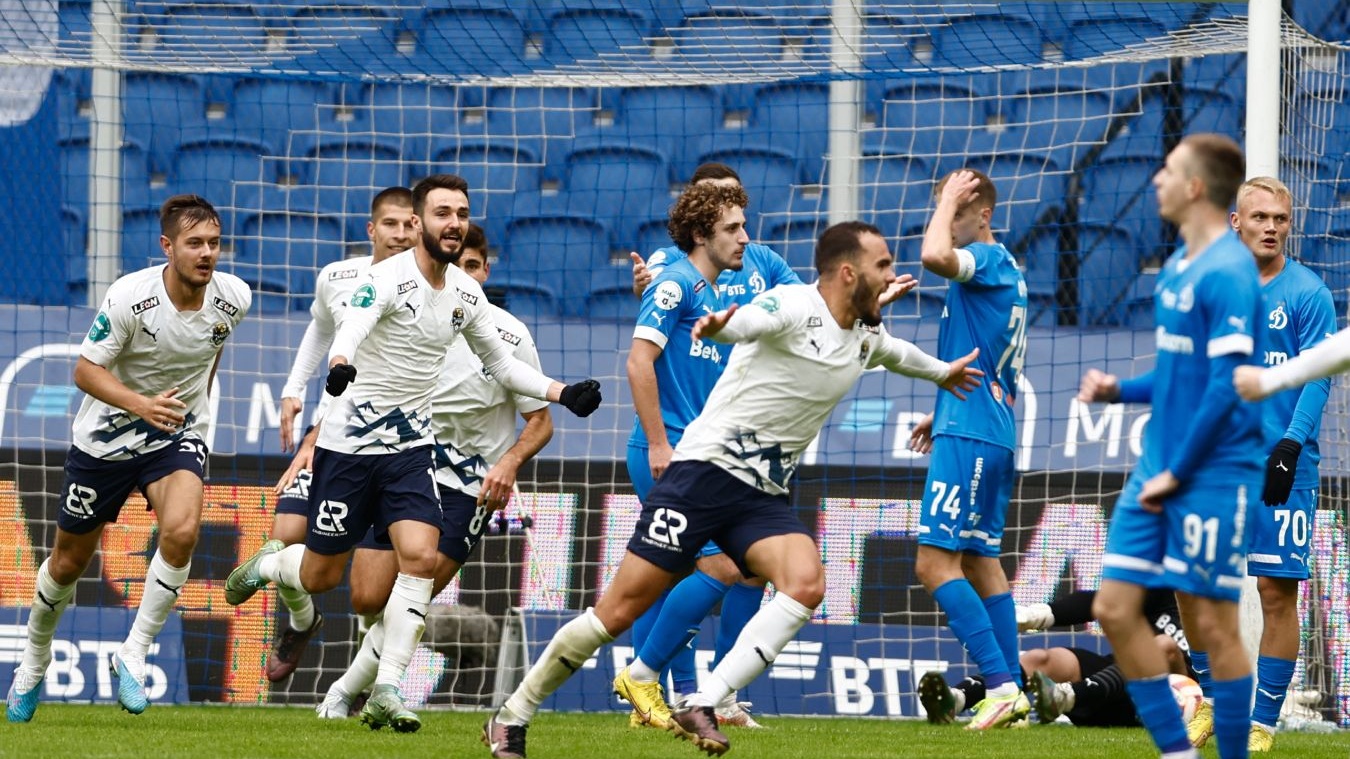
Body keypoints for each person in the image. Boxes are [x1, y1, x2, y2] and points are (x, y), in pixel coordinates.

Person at [482, 220, 983, 758]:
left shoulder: (865, 333)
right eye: (881, 266)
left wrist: (943, 373)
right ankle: (512, 714)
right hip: (700, 478)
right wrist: (721, 326)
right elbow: (751, 320)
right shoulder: (792, 305)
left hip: (758, 494)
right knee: (617, 613)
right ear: (847, 273)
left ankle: (705, 699)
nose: (891, 277)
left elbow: (899, 354)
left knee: (806, 581)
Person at [224, 174, 602, 733]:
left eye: (462, 213)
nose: (454, 223)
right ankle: (272, 563)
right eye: (443, 213)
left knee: (421, 561)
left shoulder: (467, 295)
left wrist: (560, 392)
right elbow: (351, 325)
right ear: (420, 222)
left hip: (410, 450)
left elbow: (502, 366)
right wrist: (340, 362)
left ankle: (386, 689)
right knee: (324, 576)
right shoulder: (384, 279)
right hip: (350, 448)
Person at [5, 195, 251, 722]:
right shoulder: (129, 298)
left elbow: (212, 350)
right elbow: (85, 371)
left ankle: (133, 652)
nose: (207, 253)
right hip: (106, 441)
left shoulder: (234, 298)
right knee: (68, 563)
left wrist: (195, 414)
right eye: (195, 244)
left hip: (175, 435)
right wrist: (142, 404)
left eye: (214, 243)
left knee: (183, 531)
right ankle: (33, 661)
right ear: (167, 247)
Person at [314, 222, 554, 719]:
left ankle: (350, 694)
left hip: (468, 485)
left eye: (471, 265)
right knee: (367, 597)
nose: (461, 275)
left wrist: (509, 462)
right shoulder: (411, 320)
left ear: (485, 270)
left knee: (415, 588)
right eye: (455, 265)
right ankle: (362, 684)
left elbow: (540, 422)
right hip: (403, 466)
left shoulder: (509, 335)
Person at [1078, 133, 1259, 759]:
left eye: (1169, 170)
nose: (1155, 179)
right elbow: (1181, 372)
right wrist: (1119, 389)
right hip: (1157, 466)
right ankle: (1177, 753)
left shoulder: (1232, 272)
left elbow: (1225, 386)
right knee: (1113, 607)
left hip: (1208, 473)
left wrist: (1179, 471)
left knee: (1212, 624)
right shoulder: (1177, 265)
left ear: (1196, 187)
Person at [621, 163, 800, 729]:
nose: (742, 233)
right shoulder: (672, 275)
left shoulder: (757, 266)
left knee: (730, 570)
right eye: (727, 217)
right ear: (701, 223)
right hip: (671, 447)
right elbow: (638, 360)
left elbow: (808, 311)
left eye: (742, 215)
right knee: (710, 568)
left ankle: (697, 695)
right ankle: (651, 686)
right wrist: (657, 443)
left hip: (718, 449)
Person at [261, 186, 418, 683]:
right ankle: (301, 621)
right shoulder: (337, 277)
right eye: (389, 224)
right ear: (372, 230)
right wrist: (292, 388)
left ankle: (359, 681)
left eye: (407, 224)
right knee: (285, 536)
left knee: (368, 594)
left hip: (388, 444)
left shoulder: (427, 287)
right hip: (328, 435)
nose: (398, 234)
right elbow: (319, 330)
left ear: (419, 228)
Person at [1205, 177, 1334, 753]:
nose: (1271, 227)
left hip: (1283, 464)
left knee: (1277, 592)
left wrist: (1290, 444)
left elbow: (1318, 372)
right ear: (1236, 222)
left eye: (1281, 218)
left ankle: (1263, 722)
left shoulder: (1309, 291)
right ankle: (1211, 701)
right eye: (1260, 217)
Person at [911, 168, 1030, 730]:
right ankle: (1017, 689)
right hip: (988, 428)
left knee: (934, 563)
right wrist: (941, 412)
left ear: (983, 215)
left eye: (959, 210)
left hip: (974, 434)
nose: (948, 220)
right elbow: (986, 355)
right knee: (984, 564)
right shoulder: (1002, 271)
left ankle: (1001, 685)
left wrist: (947, 205)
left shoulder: (985, 261)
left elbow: (933, 256)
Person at [923, 589, 1192, 727]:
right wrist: (1035, 615)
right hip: (1114, 686)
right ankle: (956, 700)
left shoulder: (1219, 609)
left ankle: (1069, 696)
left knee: (1163, 645)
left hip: (1169, 704)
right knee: (1044, 659)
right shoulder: (1162, 588)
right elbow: (1099, 602)